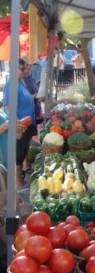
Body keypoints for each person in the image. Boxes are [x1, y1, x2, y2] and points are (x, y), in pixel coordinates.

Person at [2, 59, 35, 187]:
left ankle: (19, 183)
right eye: (21, 69)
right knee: (17, 157)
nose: (24, 71)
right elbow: (8, 107)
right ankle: (18, 186)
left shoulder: (20, 83)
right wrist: (16, 124)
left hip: (26, 125)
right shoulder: (11, 84)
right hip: (20, 126)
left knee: (21, 155)